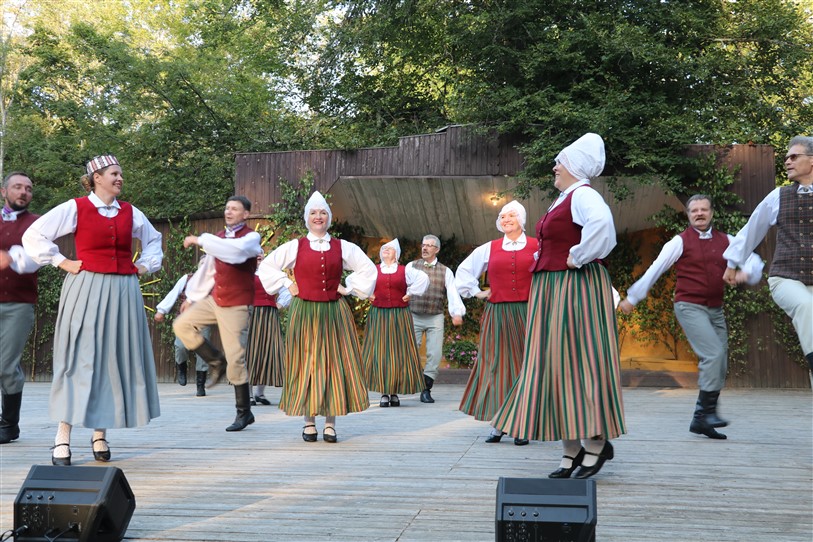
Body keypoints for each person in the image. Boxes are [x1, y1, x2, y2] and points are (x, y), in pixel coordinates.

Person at [492, 133, 626, 479]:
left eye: (560, 162)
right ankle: (571, 449)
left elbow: (603, 227)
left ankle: (595, 441)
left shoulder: (583, 195)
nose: (554, 167)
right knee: (553, 364)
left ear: (574, 166)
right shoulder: (565, 198)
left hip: (574, 288)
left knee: (577, 362)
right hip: (553, 288)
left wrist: (577, 256)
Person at [20, 155, 162, 465]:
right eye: (114, 173)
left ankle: (100, 434)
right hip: (86, 286)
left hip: (124, 290)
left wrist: (144, 265)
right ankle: (62, 436)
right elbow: (33, 235)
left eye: (121, 173)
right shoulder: (76, 208)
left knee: (113, 358)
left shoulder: (131, 212)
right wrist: (62, 261)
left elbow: (154, 241)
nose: (120, 178)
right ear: (97, 177)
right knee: (79, 357)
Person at [619, 195, 763, 439]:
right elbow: (655, 269)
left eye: (703, 209)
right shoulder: (679, 242)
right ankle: (707, 413)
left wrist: (744, 275)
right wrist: (633, 298)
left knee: (720, 360)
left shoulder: (727, 241)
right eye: (694, 210)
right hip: (689, 306)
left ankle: (700, 419)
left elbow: (755, 262)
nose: (699, 214)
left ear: (711, 213)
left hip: (715, 308)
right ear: (688, 215)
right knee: (713, 354)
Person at [257, 191, 376, 443]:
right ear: (307, 218)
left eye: (322, 212)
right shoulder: (295, 246)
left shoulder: (343, 247)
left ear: (329, 218)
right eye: (313, 213)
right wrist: (286, 284)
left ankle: (330, 424)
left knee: (334, 364)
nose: (318, 216)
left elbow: (367, 268)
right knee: (306, 363)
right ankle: (309, 422)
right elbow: (267, 266)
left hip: (334, 311)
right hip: (305, 311)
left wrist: (348, 287)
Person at [723, 135, 813, 378]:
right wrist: (732, 263)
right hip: (786, 278)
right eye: (786, 158)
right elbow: (751, 229)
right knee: (807, 306)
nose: (787, 161)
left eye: (794, 156)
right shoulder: (778, 196)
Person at [173, 195, 262, 432]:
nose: (228, 212)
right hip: (215, 300)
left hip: (237, 304)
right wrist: (191, 298)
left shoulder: (251, 238)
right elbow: (208, 271)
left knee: (236, 359)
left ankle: (244, 412)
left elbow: (235, 252)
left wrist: (200, 240)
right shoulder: (219, 238)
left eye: (234, 209)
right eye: (227, 208)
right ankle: (215, 360)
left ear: (245, 214)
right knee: (181, 325)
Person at [454, 201, 538, 446]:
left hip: (528, 312)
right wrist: (478, 292)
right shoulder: (488, 248)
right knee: (498, 366)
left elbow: (552, 272)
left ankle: (521, 423)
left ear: (522, 219)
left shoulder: (537, 246)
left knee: (526, 366)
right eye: (502, 216)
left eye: (512, 215)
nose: (506, 219)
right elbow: (463, 272)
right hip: (498, 313)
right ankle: (500, 424)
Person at [362, 239, 429, 408]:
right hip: (379, 314)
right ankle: (384, 392)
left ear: (396, 254)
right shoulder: (373, 270)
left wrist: (411, 293)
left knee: (398, 352)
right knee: (381, 352)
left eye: (390, 249)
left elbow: (423, 278)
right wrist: (366, 293)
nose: (386, 250)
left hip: (400, 315)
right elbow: (355, 280)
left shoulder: (405, 270)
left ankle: (395, 391)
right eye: (384, 248)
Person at [0, 172, 41, 445]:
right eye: (17, 187)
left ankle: (9, 423)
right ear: (4, 192)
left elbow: (38, 258)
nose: (23, 192)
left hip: (18, 304)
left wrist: (11, 256)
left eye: (28, 188)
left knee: (5, 366)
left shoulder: (37, 224)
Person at [407, 235, 465, 403]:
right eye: (423, 245)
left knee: (435, 353)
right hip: (414, 314)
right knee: (410, 350)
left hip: (435, 317)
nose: (425, 248)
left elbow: (452, 292)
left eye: (429, 246)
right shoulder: (411, 266)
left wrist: (456, 313)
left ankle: (426, 389)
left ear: (437, 249)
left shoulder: (445, 271)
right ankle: (411, 382)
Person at [154, 264, 211, 397]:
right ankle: (181, 368)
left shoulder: (214, 281)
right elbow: (173, 294)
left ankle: (200, 385)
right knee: (180, 346)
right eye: (202, 264)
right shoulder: (187, 279)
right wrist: (161, 310)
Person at [245, 261, 289, 406]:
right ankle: (248, 394)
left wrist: (280, 304)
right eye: (256, 257)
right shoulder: (245, 273)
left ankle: (260, 393)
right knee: (251, 351)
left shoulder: (273, 274)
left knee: (267, 350)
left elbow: (287, 290)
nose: (259, 259)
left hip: (270, 315)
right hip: (251, 315)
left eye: (261, 257)